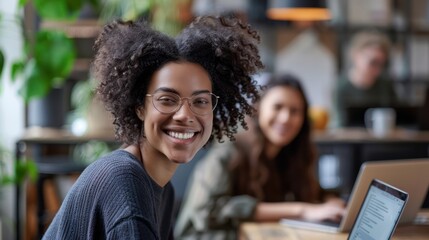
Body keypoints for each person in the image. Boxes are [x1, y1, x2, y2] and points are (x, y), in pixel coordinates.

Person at [42, 16, 263, 240]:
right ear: (140, 107)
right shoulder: (124, 182)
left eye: (200, 101)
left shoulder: (163, 189)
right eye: (167, 99)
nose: (185, 115)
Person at [175, 74, 346, 239]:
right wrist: (301, 210)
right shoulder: (229, 150)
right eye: (277, 107)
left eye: (294, 111)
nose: (286, 118)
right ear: (259, 109)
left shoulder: (291, 155)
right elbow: (207, 211)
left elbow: (312, 191)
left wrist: (329, 201)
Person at [332, 30, 399, 127]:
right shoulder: (341, 88)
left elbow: (398, 119)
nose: (378, 70)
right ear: (356, 55)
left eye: (382, 64)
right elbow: (339, 125)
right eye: (373, 62)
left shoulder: (386, 85)